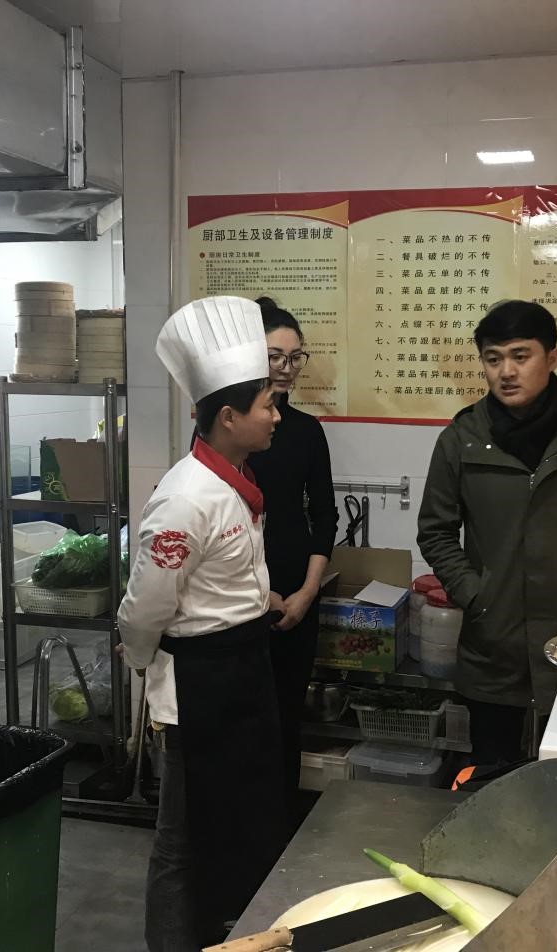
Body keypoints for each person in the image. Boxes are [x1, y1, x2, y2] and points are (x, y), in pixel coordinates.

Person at [117, 295, 286, 952]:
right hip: (199, 686)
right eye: (267, 404)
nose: (276, 415)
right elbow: (145, 606)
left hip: (241, 670)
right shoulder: (185, 498)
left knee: (234, 824)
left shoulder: (234, 479)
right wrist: (142, 663)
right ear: (228, 417)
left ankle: (219, 936)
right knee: (182, 838)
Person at [417, 300, 557, 766]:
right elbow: (435, 531)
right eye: (493, 358)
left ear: (552, 357)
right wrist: (474, 594)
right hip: (493, 640)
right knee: (494, 773)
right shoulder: (462, 438)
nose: (506, 372)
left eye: (521, 356)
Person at [246, 297, 338, 834]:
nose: (286, 368)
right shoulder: (229, 430)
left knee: (286, 718)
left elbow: (324, 517)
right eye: (274, 357)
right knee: (248, 720)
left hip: (296, 595)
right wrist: (257, 596)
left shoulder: (306, 431)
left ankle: (280, 828)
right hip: (241, 598)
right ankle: (248, 828)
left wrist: (307, 593)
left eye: (294, 357)